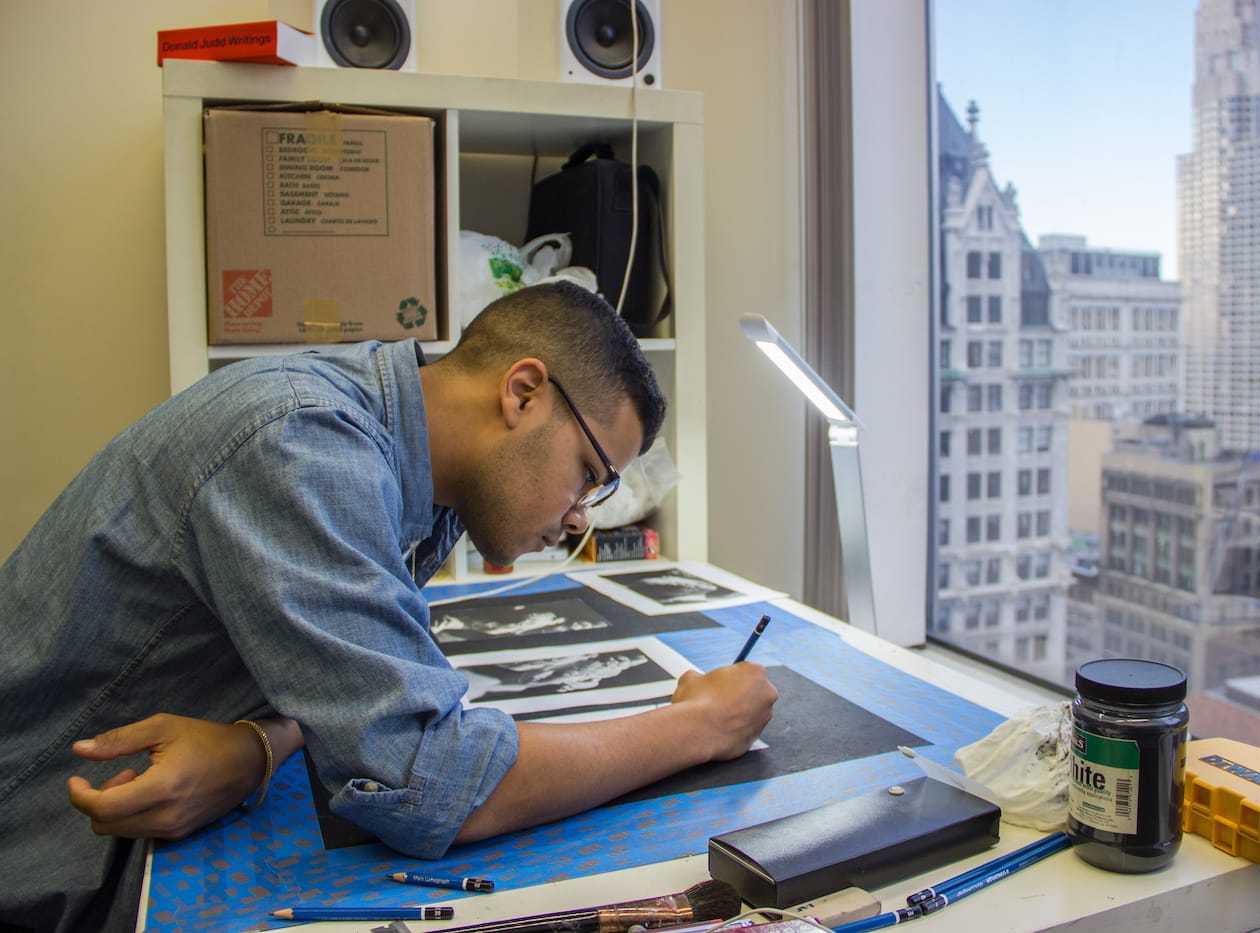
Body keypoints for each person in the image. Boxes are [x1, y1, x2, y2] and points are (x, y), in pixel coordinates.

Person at [0, 282, 779, 932]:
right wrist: (700, 724)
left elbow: (340, 681)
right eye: (588, 472)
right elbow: (434, 782)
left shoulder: (418, 473)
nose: (582, 516)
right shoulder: (304, 445)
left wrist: (257, 746)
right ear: (524, 392)